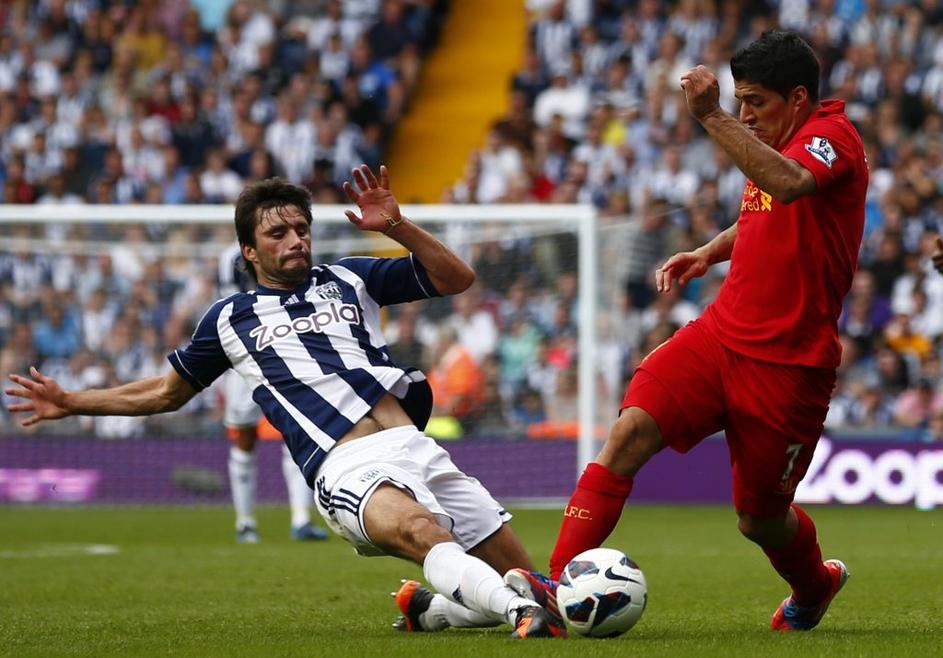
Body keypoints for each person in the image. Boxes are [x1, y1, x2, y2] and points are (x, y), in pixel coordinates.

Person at [6, 165, 562, 639]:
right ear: (249, 251)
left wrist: (397, 226)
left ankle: (436, 610)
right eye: (277, 233)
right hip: (345, 465)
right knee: (426, 535)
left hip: (415, 446)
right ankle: (519, 614)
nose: (295, 239)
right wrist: (73, 400)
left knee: (531, 582)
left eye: (301, 229)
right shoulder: (230, 319)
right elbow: (165, 392)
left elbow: (457, 278)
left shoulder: (351, 278)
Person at [506, 31, 867, 633]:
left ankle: (815, 584)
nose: (745, 114)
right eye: (739, 101)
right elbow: (764, 212)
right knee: (629, 432)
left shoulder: (833, 137)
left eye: (756, 102)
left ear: (799, 98)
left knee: (760, 519)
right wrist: (709, 251)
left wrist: (710, 115)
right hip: (719, 336)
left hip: (789, 365)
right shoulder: (774, 144)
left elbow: (787, 184)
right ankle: (556, 584)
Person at [216, 241, 328, 544]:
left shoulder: (293, 248)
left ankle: (301, 519)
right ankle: (245, 522)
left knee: (296, 431)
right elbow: (231, 303)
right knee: (245, 436)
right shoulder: (231, 258)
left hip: (289, 350)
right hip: (246, 354)